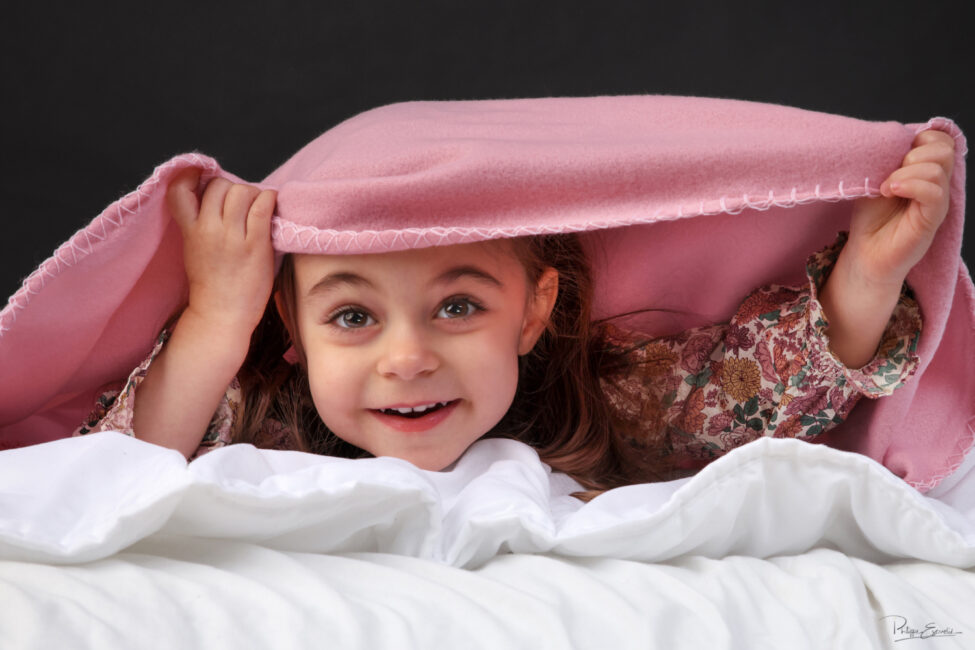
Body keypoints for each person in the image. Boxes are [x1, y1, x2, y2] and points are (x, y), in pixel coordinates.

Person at [75, 130, 955, 499]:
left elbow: (758, 389)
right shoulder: (256, 417)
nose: (406, 358)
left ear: (534, 313)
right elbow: (115, 474)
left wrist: (866, 278)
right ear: (292, 329)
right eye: (350, 317)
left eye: (457, 306)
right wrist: (218, 320)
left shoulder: (605, 400)